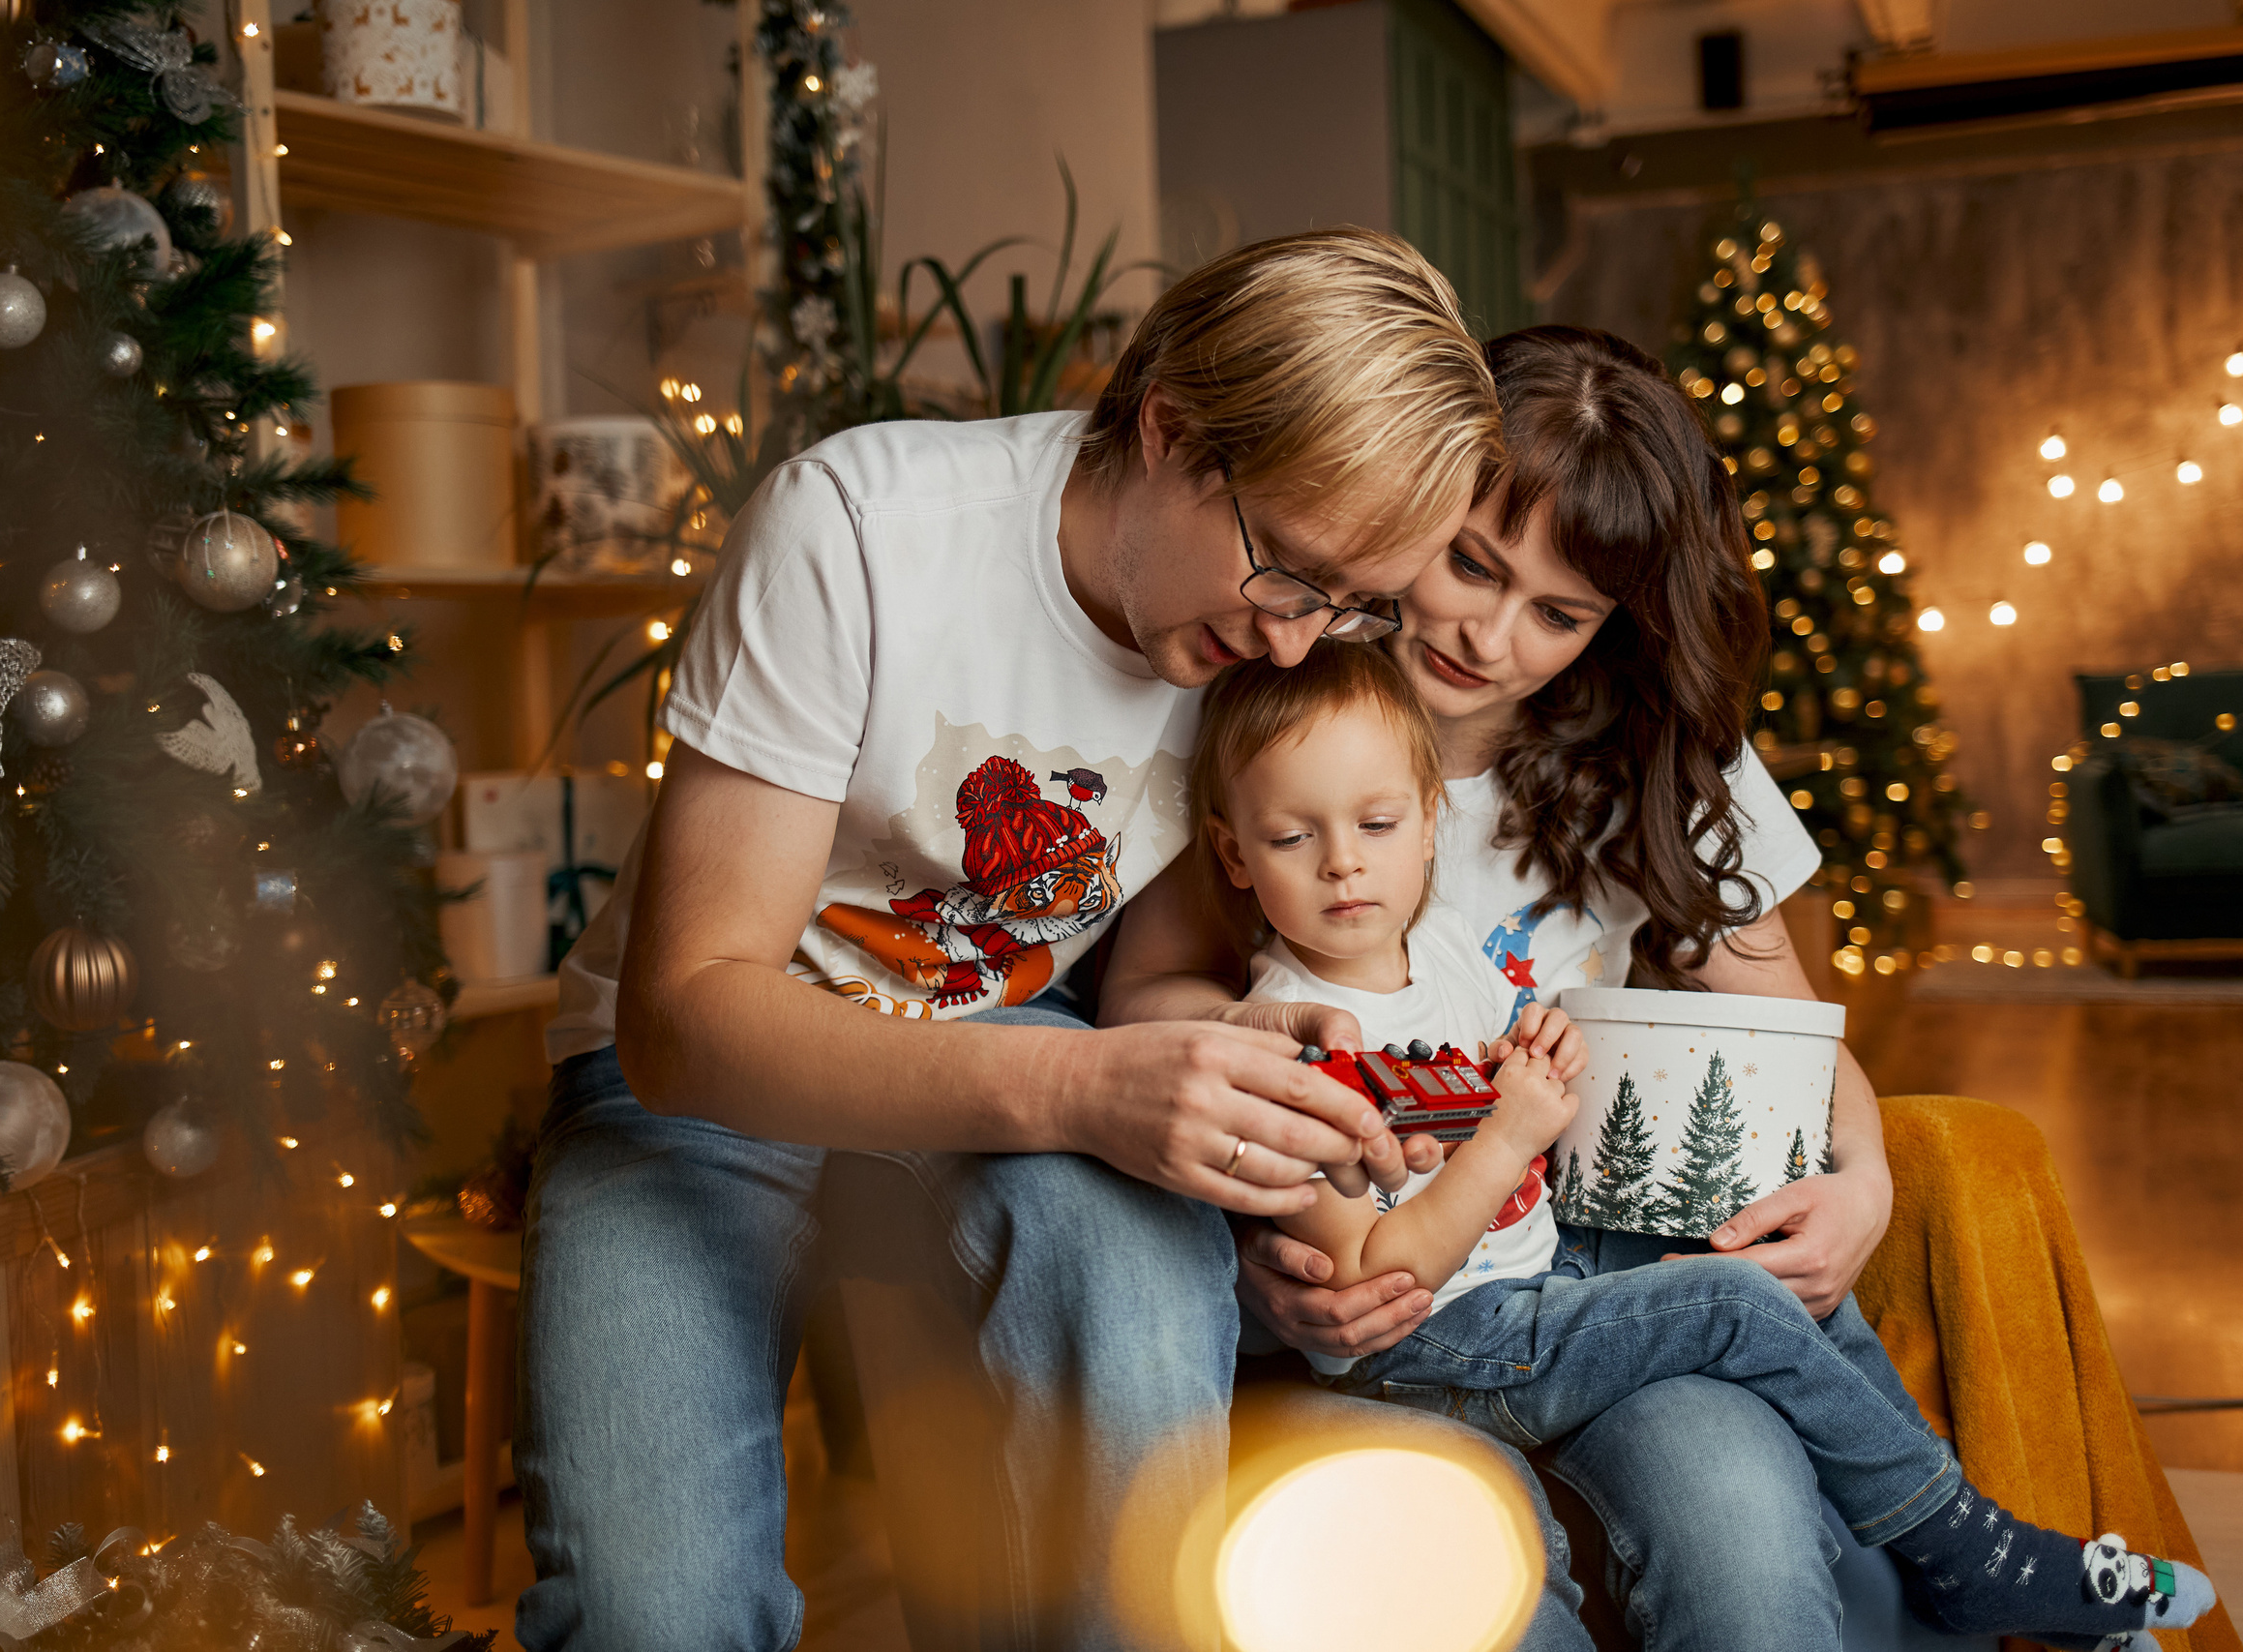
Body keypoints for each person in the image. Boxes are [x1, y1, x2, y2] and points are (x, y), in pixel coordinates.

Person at [513, 229, 1600, 1652]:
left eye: (1351, 604)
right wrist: (1089, 1084)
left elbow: (1146, 967)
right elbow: (684, 1017)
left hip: (1007, 1064)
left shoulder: (1250, 633)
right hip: (702, 1088)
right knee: (654, 1612)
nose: (1297, 644)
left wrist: (1230, 1062)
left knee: (1140, 1310)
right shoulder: (856, 531)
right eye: (1289, 574)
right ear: (1170, 430)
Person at [1103, 324, 1949, 1649]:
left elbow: (1786, 1035)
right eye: (1469, 566)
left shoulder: (1656, 754)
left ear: (1615, 621)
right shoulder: (1268, 707)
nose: (1488, 637)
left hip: (1603, 1297)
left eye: (1556, 612)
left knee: (1751, 1558)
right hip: (1370, 1313)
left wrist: (1866, 1173)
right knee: (1472, 1596)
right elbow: (1139, 1003)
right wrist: (1282, 1203)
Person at [1190, 646, 2215, 1651]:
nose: (1342, 863)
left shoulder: (1438, 938)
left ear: (1428, 825)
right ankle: (1963, 1551)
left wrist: (1529, 1049)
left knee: (1741, 1252)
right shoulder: (1289, 1038)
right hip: (1431, 1348)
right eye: (1291, 837)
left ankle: (1960, 1543)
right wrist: (1510, 1139)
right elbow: (1373, 1282)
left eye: (1375, 823)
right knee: (1731, 1302)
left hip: (1533, 1278)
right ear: (1234, 852)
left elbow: (1485, 1077)